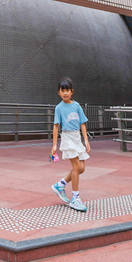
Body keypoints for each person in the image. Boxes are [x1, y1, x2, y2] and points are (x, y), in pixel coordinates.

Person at [50, 77, 91, 212]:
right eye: (63, 91)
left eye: (67, 90)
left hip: (77, 137)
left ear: (72, 91)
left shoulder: (77, 106)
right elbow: (56, 126)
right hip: (67, 137)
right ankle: (75, 198)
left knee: (81, 168)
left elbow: (82, 123)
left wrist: (86, 140)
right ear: (59, 92)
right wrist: (54, 144)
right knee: (76, 166)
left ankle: (60, 185)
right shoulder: (59, 108)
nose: (65, 93)